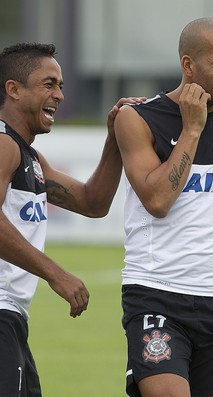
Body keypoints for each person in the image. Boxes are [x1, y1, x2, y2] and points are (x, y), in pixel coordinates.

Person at [114, 17, 213, 397]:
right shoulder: (137, 118)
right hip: (157, 293)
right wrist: (192, 130)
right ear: (188, 65)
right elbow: (158, 201)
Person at [0, 42, 145, 397]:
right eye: (48, 84)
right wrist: (56, 273)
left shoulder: (29, 156)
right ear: (13, 90)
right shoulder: (3, 145)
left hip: (12, 318)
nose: (59, 95)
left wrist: (114, 138)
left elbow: (93, 202)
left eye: (61, 85)